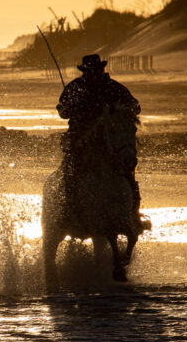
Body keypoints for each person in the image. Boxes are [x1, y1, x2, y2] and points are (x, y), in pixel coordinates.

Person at [57, 53, 146, 229]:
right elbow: (62, 111)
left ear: (101, 70)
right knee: (70, 169)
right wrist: (71, 108)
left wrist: (118, 111)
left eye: (96, 71)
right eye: (90, 72)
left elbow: (136, 107)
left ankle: (133, 214)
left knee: (127, 170)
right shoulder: (75, 88)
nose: (93, 75)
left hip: (110, 140)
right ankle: (67, 210)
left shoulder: (114, 88)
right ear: (85, 72)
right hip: (80, 138)